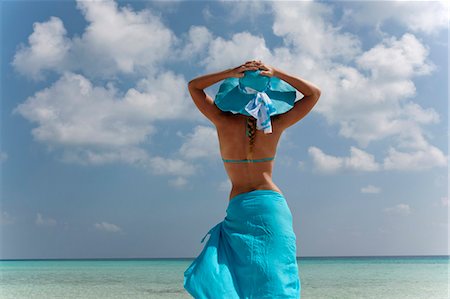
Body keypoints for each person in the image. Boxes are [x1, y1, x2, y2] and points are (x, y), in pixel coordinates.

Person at [183, 60, 321, 299]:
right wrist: (277, 73)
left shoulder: (222, 121)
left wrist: (231, 72)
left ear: (236, 94)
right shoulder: (275, 124)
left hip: (239, 206)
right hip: (271, 207)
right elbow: (313, 93)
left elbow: (194, 87)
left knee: (232, 275)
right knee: (277, 277)